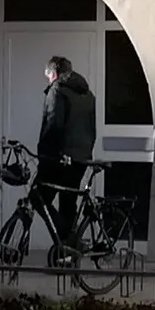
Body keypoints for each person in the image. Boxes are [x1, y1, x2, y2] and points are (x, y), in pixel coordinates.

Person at [36, 55, 97, 255]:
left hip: (59, 158)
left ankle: (69, 238)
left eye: (48, 75)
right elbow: (92, 130)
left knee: (38, 197)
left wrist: (44, 157)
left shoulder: (57, 91)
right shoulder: (88, 95)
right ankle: (66, 254)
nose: (48, 80)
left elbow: (53, 127)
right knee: (68, 204)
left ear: (54, 73)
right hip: (80, 159)